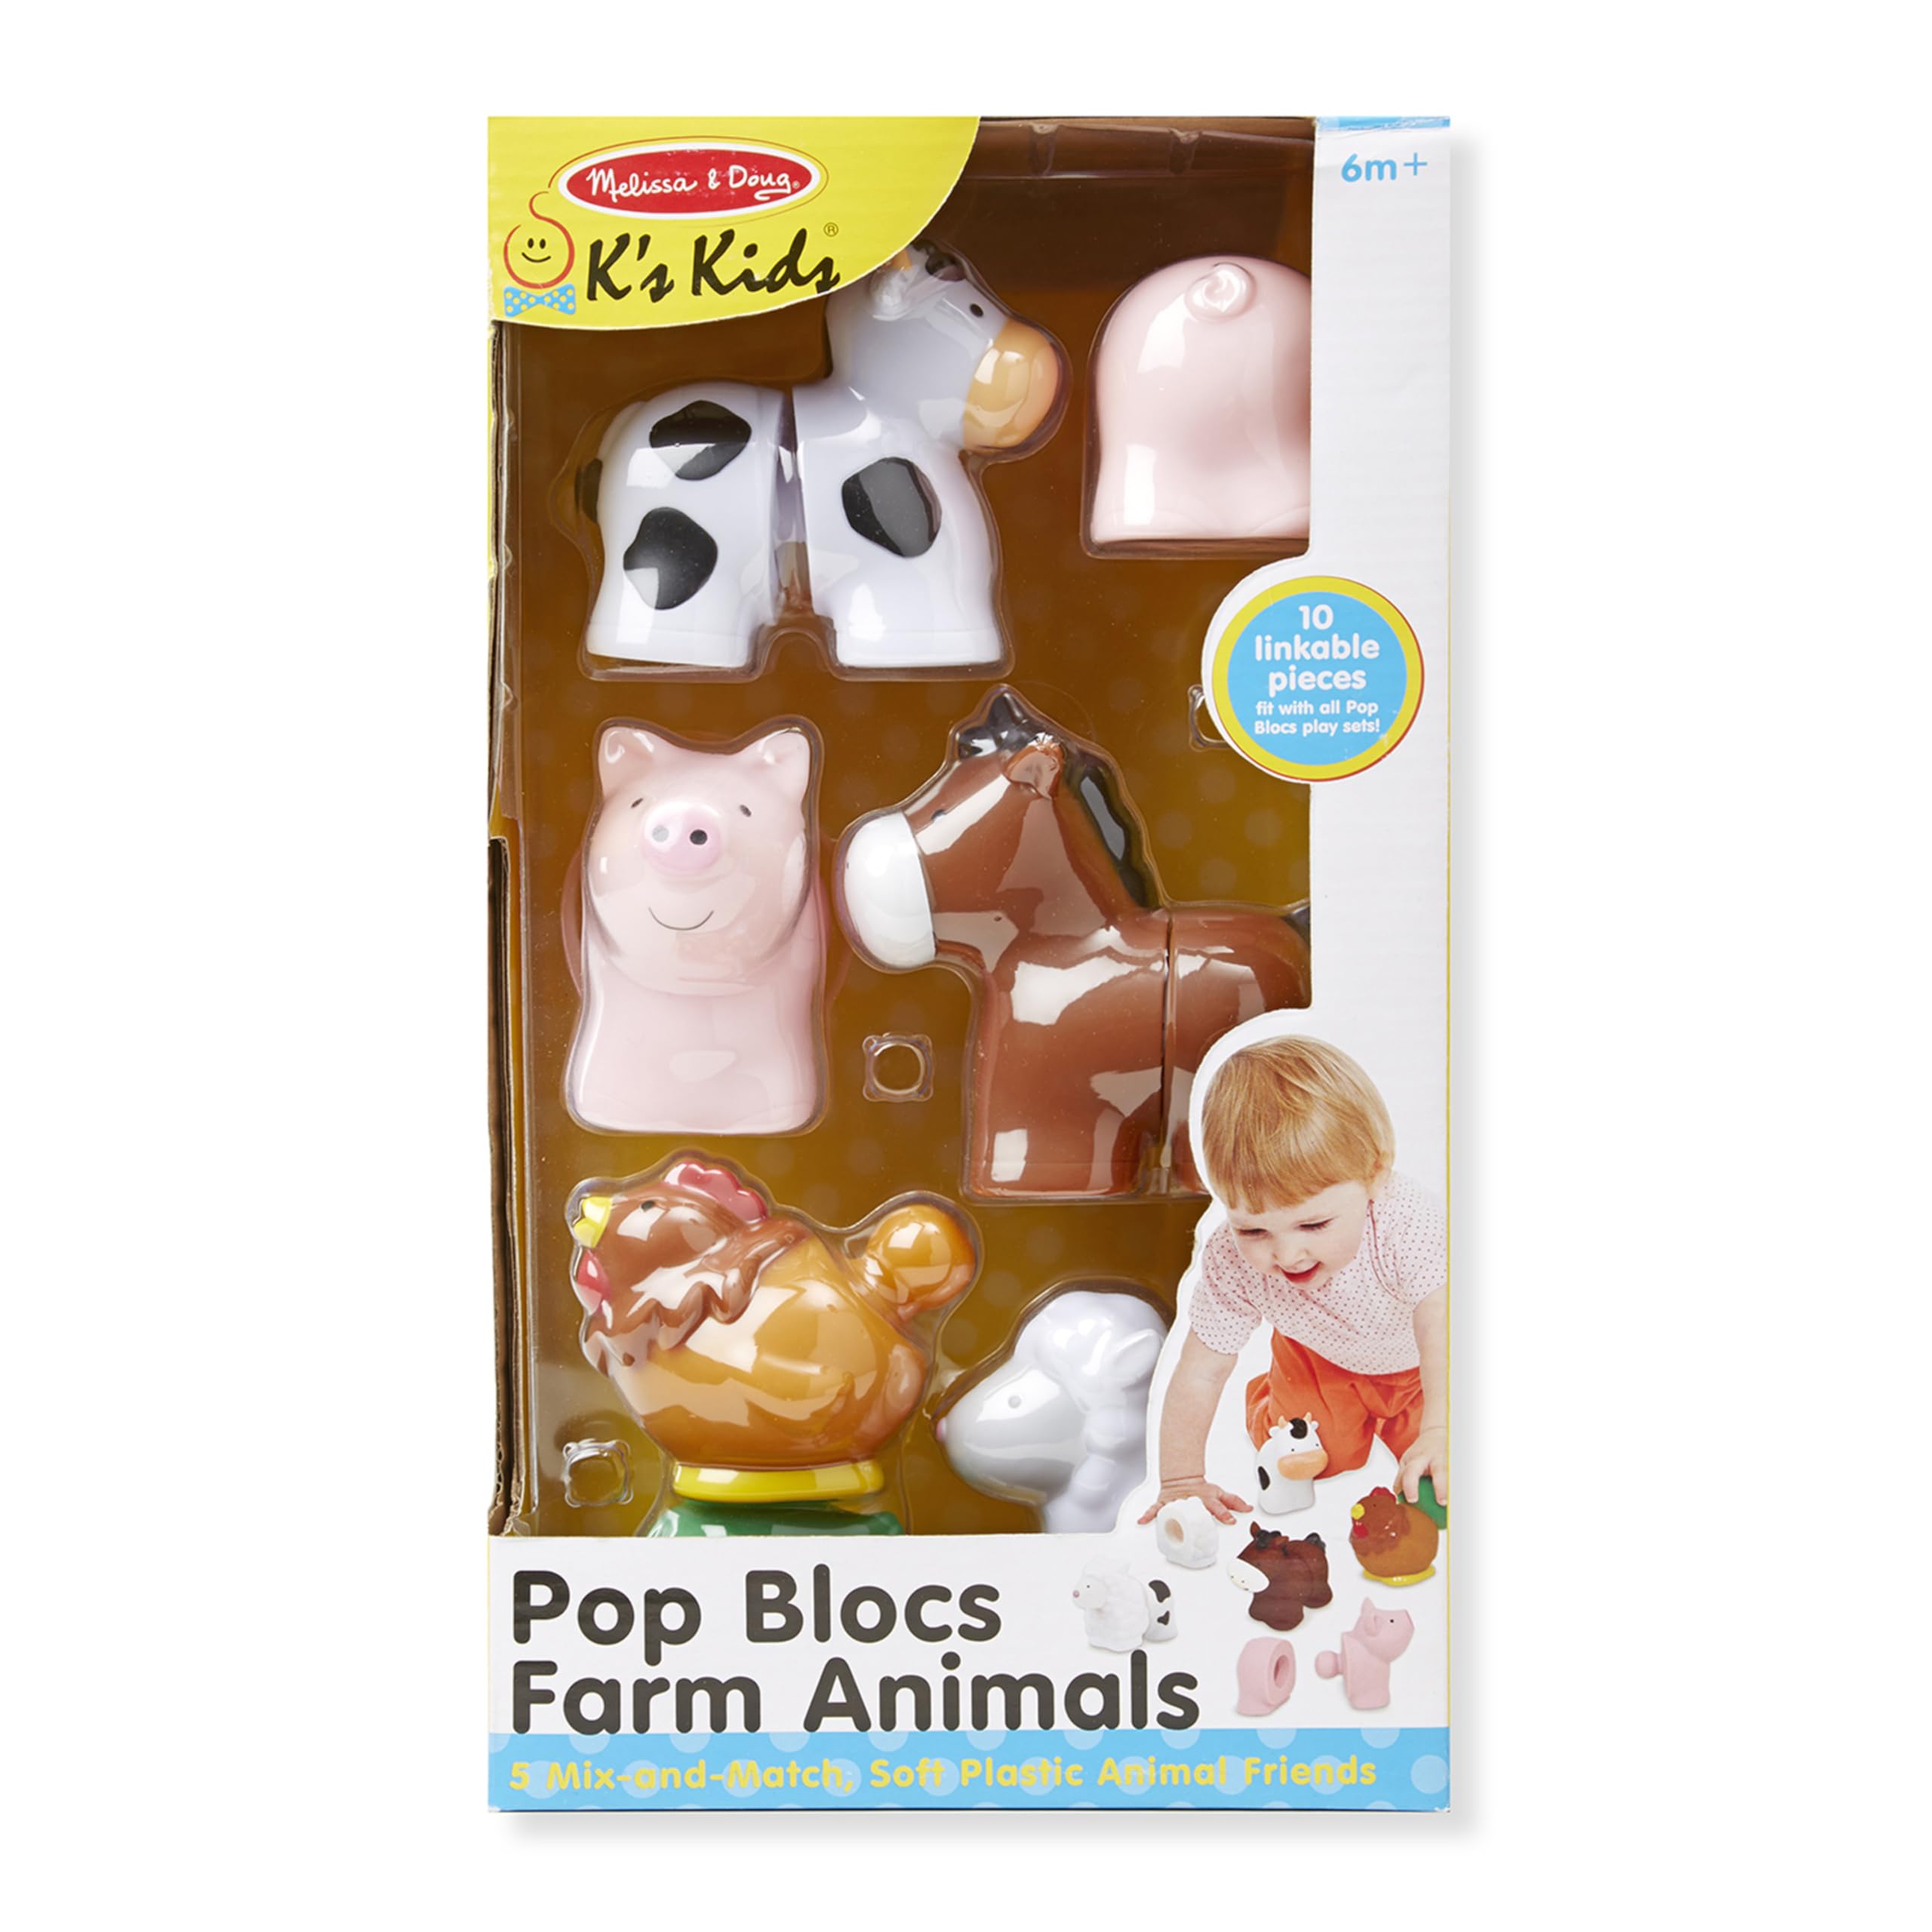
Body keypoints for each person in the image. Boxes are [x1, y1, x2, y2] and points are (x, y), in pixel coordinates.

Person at [1140, 1035, 1447, 1527]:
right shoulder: (1231, 1258)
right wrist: (1180, 1481)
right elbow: (1201, 1370)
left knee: (1437, 1468)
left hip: (1424, 1364)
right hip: (1319, 1359)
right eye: (1254, 1230)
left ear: (1374, 1174)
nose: (1286, 1255)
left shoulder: (1406, 1221)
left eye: (1314, 1224)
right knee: (1315, 1459)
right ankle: (1267, 1397)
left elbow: (1442, 1326)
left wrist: (1440, 1429)